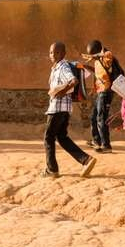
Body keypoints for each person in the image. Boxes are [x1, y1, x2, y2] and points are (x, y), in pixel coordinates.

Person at [42, 42, 98, 178]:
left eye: (56, 52)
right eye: (50, 52)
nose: (52, 55)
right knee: (62, 137)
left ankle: (52, 169)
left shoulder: (63, 67)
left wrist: (62, 91)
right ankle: (85, 159)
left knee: (48, 138)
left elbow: (73, 81)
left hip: (57, 109)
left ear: (63, 54)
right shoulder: (55, 68)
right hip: (64, 109)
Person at [81, 40, 119, 153]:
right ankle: (96, 141)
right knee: (94, 117)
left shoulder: (107, 55)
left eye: (93, 53)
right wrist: (87, 67)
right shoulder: (98, 60)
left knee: (101, 118)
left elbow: (108, 54)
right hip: (99, 92)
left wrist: (95, 56)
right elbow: (99, 72)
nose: (92, 55)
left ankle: (106, 145)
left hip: (106, 91)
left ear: (99, 50)